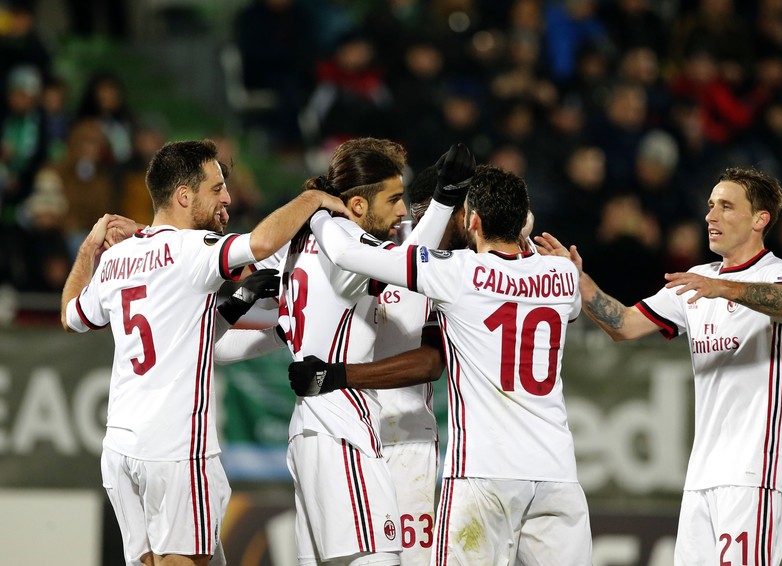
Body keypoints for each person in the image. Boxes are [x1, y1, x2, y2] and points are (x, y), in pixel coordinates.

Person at [60, 139, 347, 566]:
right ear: (183, 196)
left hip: (122, 448)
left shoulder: (119, 259)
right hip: (177, 449)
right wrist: (313, 198)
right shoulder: (193, 251)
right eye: (216, 188)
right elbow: (265, 242)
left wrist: (89, 250)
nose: (227, 197)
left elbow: (70, 314)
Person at [305, 164, 593, 565]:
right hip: (558, 474)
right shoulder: (562, 275)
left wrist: (317, 210)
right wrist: (563, 268)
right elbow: (573, 308)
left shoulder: (458, 273)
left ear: (471, 220)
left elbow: (346, 254)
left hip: (484, 472)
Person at [539, 166, 782, 565]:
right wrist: (580, 280)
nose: (710, 216)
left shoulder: (778, 273)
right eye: (710, 206)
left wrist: (724, 287)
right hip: (703, 475)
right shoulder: (697, 279)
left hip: (755, 472)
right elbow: (624, 324)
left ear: (759, 219)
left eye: (726, 207)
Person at [271, 138, 474, 566]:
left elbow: (395, 263)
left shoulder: (300, 244)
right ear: (358, 206)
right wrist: (443, 201)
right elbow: (402, 265)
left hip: (310, 430)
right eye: (394, 200)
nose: (402, 212)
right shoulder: (340, 236)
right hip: (342, 429)